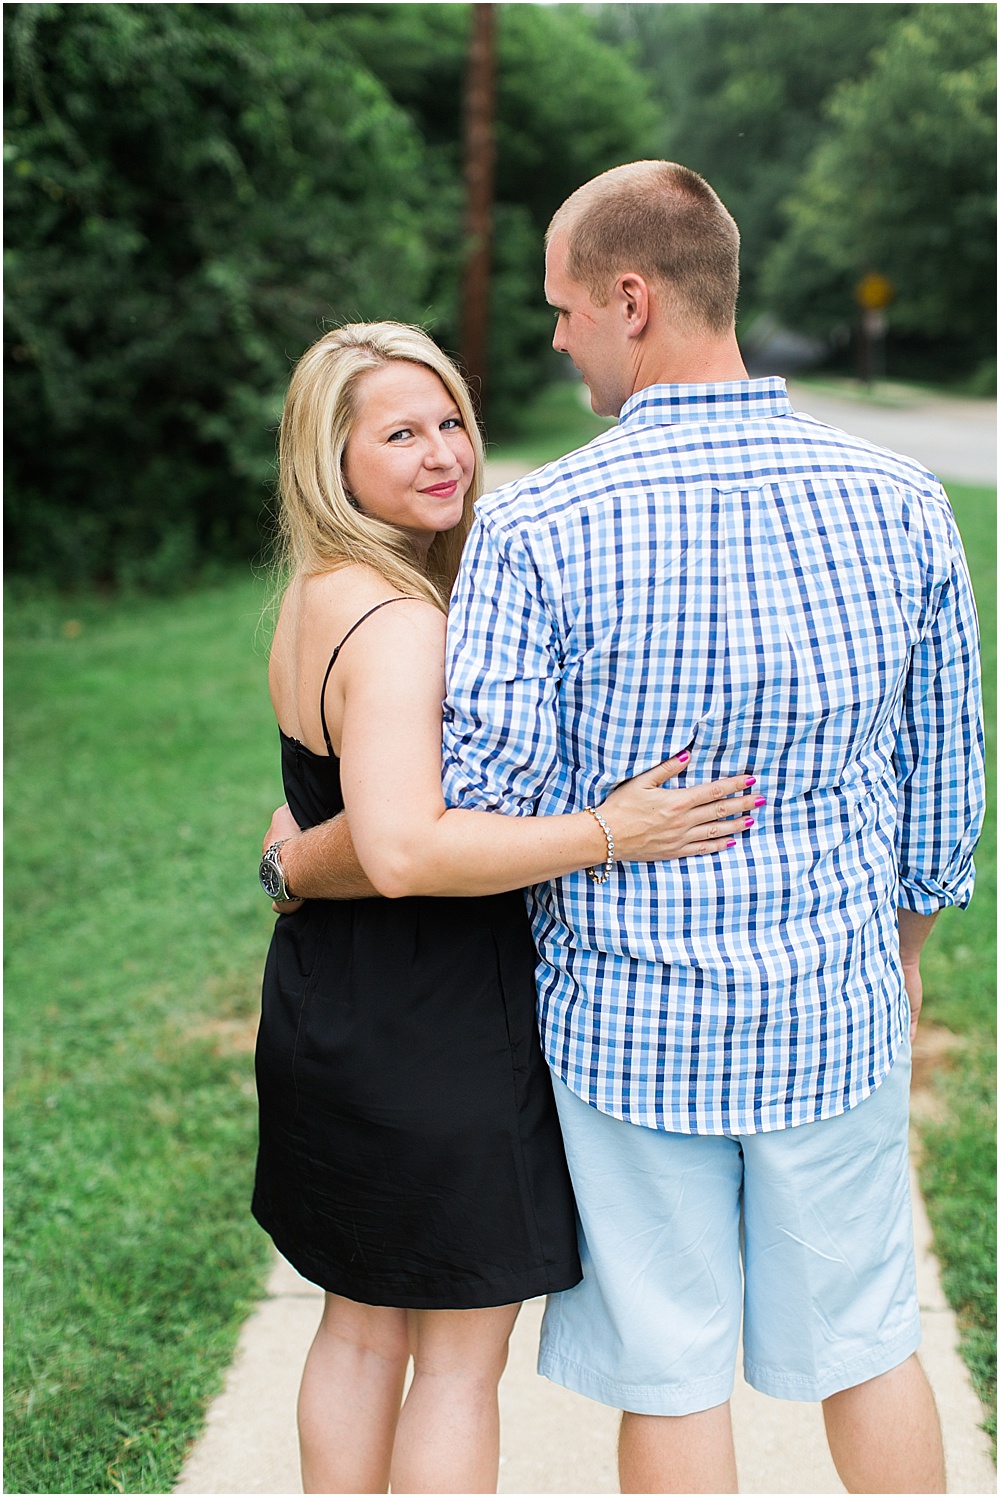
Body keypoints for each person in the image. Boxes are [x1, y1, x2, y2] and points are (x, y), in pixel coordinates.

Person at [276, 164, 984, 1494]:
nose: (554, 338)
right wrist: (904, 954)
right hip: (834, 1010)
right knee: (869, 1346)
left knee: (668, 1373)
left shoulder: (537, 528)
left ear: (632, 299)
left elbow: (471, 797)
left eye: (560, 309)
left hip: (627, 1030)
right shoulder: (905, 503)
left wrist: (303, 845)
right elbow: (946, 790)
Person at [252, 319, 760, 1495]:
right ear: (328, 459)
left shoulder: (319, 594)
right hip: (435, 1030)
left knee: (360, 1327)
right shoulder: (403, 625)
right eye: (399, 434)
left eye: (449, 425)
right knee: (455, 1369)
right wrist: (608, 833)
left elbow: (327, 822)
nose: (442, 455)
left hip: (335, 1008)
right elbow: (399, 848)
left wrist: (287, 864)